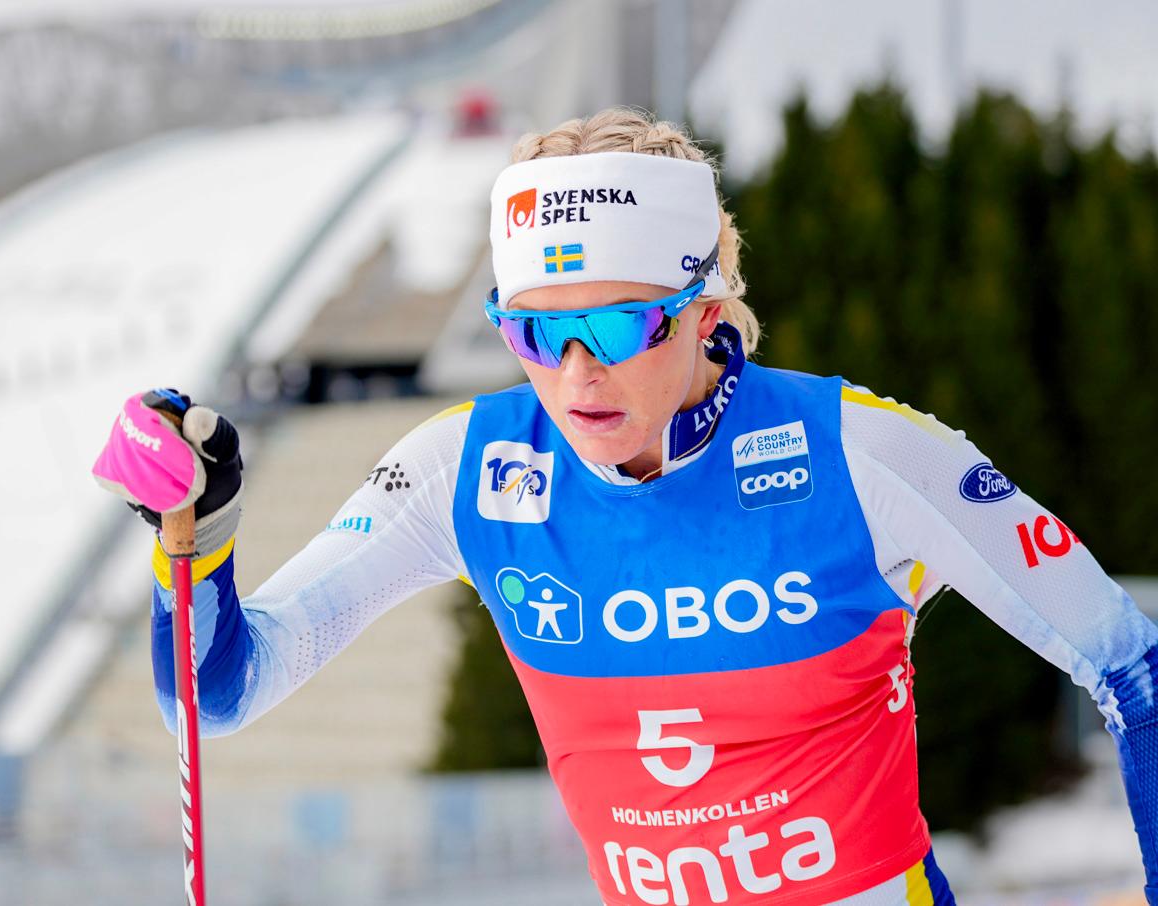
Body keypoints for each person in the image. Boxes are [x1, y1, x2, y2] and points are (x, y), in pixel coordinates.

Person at [93, 108, 1158, 905]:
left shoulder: (859, 453)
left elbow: (1131, 666)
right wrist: (205, 539)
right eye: (531, 334)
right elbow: (218, 695)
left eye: (612, 330)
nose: (572, 377)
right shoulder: (465, 470)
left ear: (701, 308)